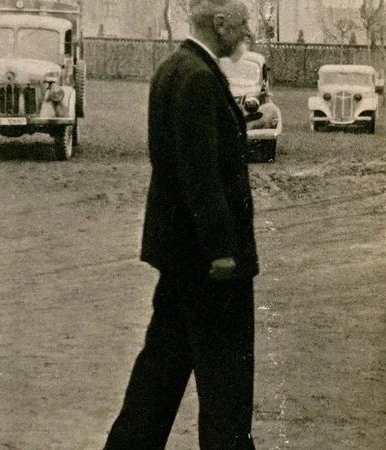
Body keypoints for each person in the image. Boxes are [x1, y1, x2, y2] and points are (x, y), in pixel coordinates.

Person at [103, 1, 259, 449]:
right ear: (220, 24)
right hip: (209, 264)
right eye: (243, 22)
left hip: (180, 258)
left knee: (162, 369)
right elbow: (200, 176)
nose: (248, 30)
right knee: (226, 378)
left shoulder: (175, 68)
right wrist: (222, 251)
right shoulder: (197, 77)